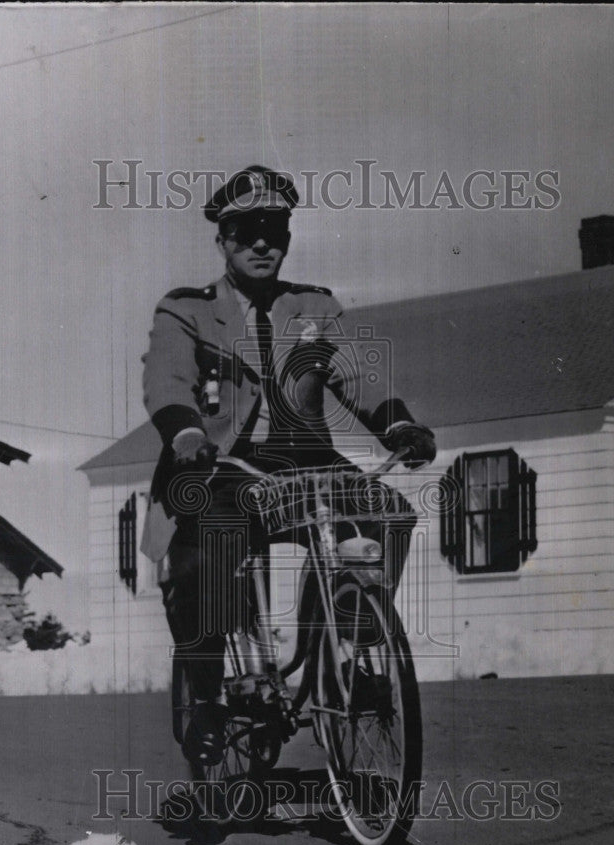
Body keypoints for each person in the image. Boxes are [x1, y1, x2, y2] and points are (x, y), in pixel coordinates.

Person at [141, 165, 436, 766]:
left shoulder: (314, 307)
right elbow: (166, 379)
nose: (261, 244)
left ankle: (343, 651)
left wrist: (397, 423)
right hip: (220, 465)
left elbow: (357, 375)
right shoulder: (187, 310)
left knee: (388, 514)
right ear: (222, 239)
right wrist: (189, 434)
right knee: (208, 552)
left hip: (303, 462)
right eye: (246, 231)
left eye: (274, 231)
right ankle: (204, 699)